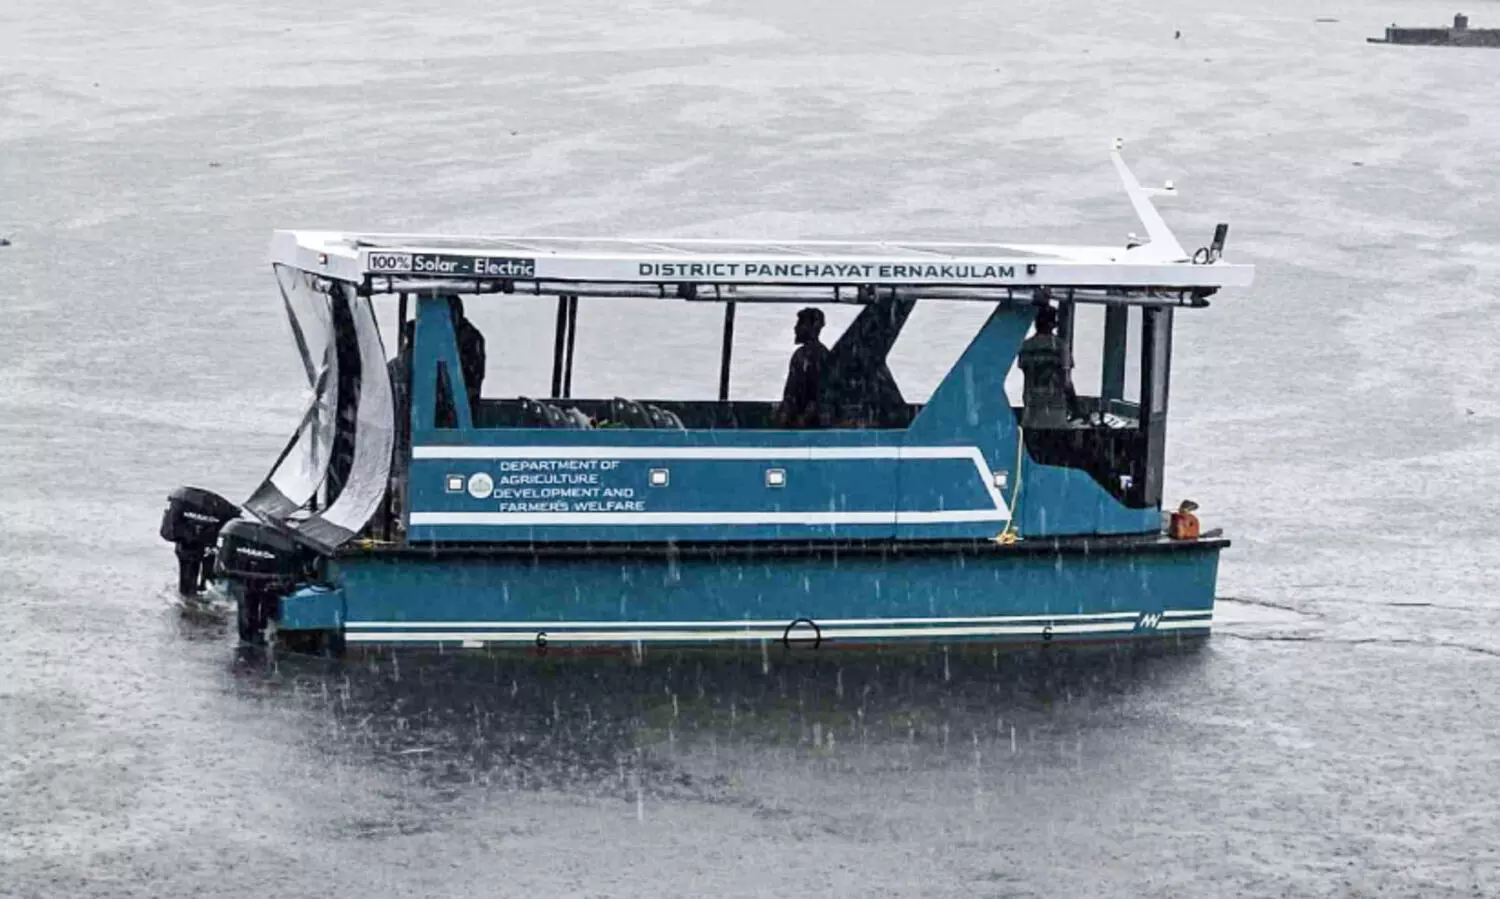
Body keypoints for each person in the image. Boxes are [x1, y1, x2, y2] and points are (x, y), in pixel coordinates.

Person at [1017, 303, 1079, 429]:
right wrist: (1077, 408)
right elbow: (1066, 382)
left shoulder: (1026, 346)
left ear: (1036, 322)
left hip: (1032, 409)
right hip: (1055, 410)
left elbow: (1026, 373)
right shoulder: (1061, 347)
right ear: (1053, 324)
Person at [777, 307, 831, 428]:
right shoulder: (800, 355)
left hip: (812, 426)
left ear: (812, 328)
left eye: (800, 324)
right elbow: (791, 392)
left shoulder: (820, 356)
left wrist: (803, 419)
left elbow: (820, 394)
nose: (795, 328)